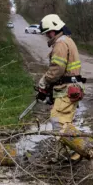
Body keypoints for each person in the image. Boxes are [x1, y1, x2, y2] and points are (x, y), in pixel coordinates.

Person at [36, 14, 86, 159]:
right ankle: (63, 153)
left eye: (46, 33)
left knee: (59, 121)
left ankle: (75, 151)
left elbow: (57, 69)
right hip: (69, 87)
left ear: (52, 30)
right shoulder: (67, 41)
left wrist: (45, 81)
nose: (46, 36)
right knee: (63, 121)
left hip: (66, 88)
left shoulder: (60, 44)